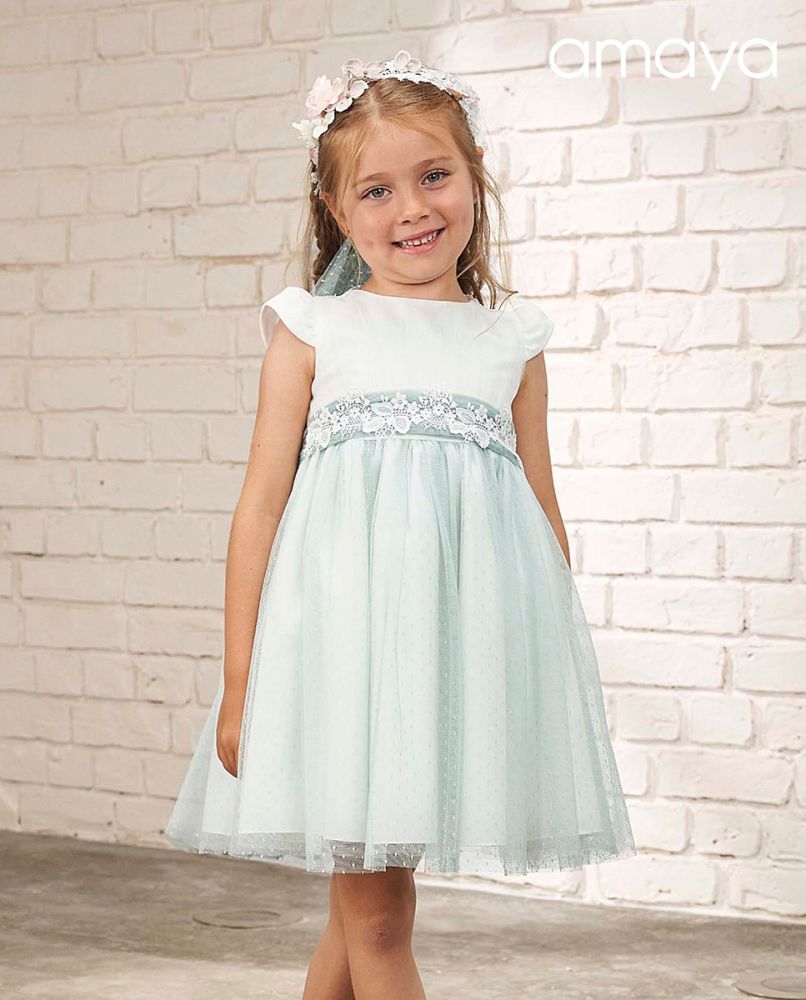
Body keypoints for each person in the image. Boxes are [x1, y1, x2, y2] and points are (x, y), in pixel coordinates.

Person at [165, 48, 636, 999]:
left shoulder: (511, 339)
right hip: (338, 664)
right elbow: (260, 508)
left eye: (434, 176)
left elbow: (540, 512)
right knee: (377, 918)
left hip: (452, 664)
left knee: (362, 919)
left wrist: (539, 672)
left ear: (474, 174)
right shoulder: (313, 329)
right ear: (338, 211)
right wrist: (241, 679)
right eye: (376, 191)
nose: (412, 209)